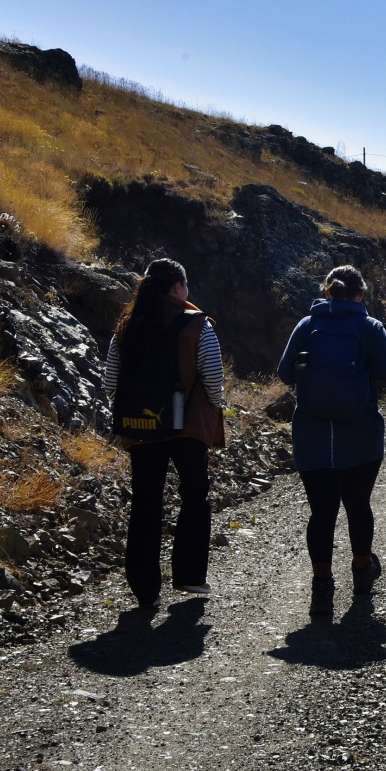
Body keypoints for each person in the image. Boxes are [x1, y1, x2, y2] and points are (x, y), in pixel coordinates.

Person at [103, 258, 225, 612]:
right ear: (177, 288)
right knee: (194, 495)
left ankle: (146, 591)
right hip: (187, 427)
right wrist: (210, 409)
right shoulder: (198, 325)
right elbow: (214, 380)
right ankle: (188, 575)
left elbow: (111, 384)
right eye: (185, 286)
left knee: (145, 504)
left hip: (141, 429)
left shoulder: (127, 326)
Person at [277, 266, 386, 617]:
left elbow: (285, 373)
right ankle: (362, 571)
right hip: (361, 436)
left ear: (327, 292)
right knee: (358, 505)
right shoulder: (370, 327)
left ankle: (322, 588)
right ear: (360, 294)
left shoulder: (306, 325)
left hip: (313, 436)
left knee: (322, 513)